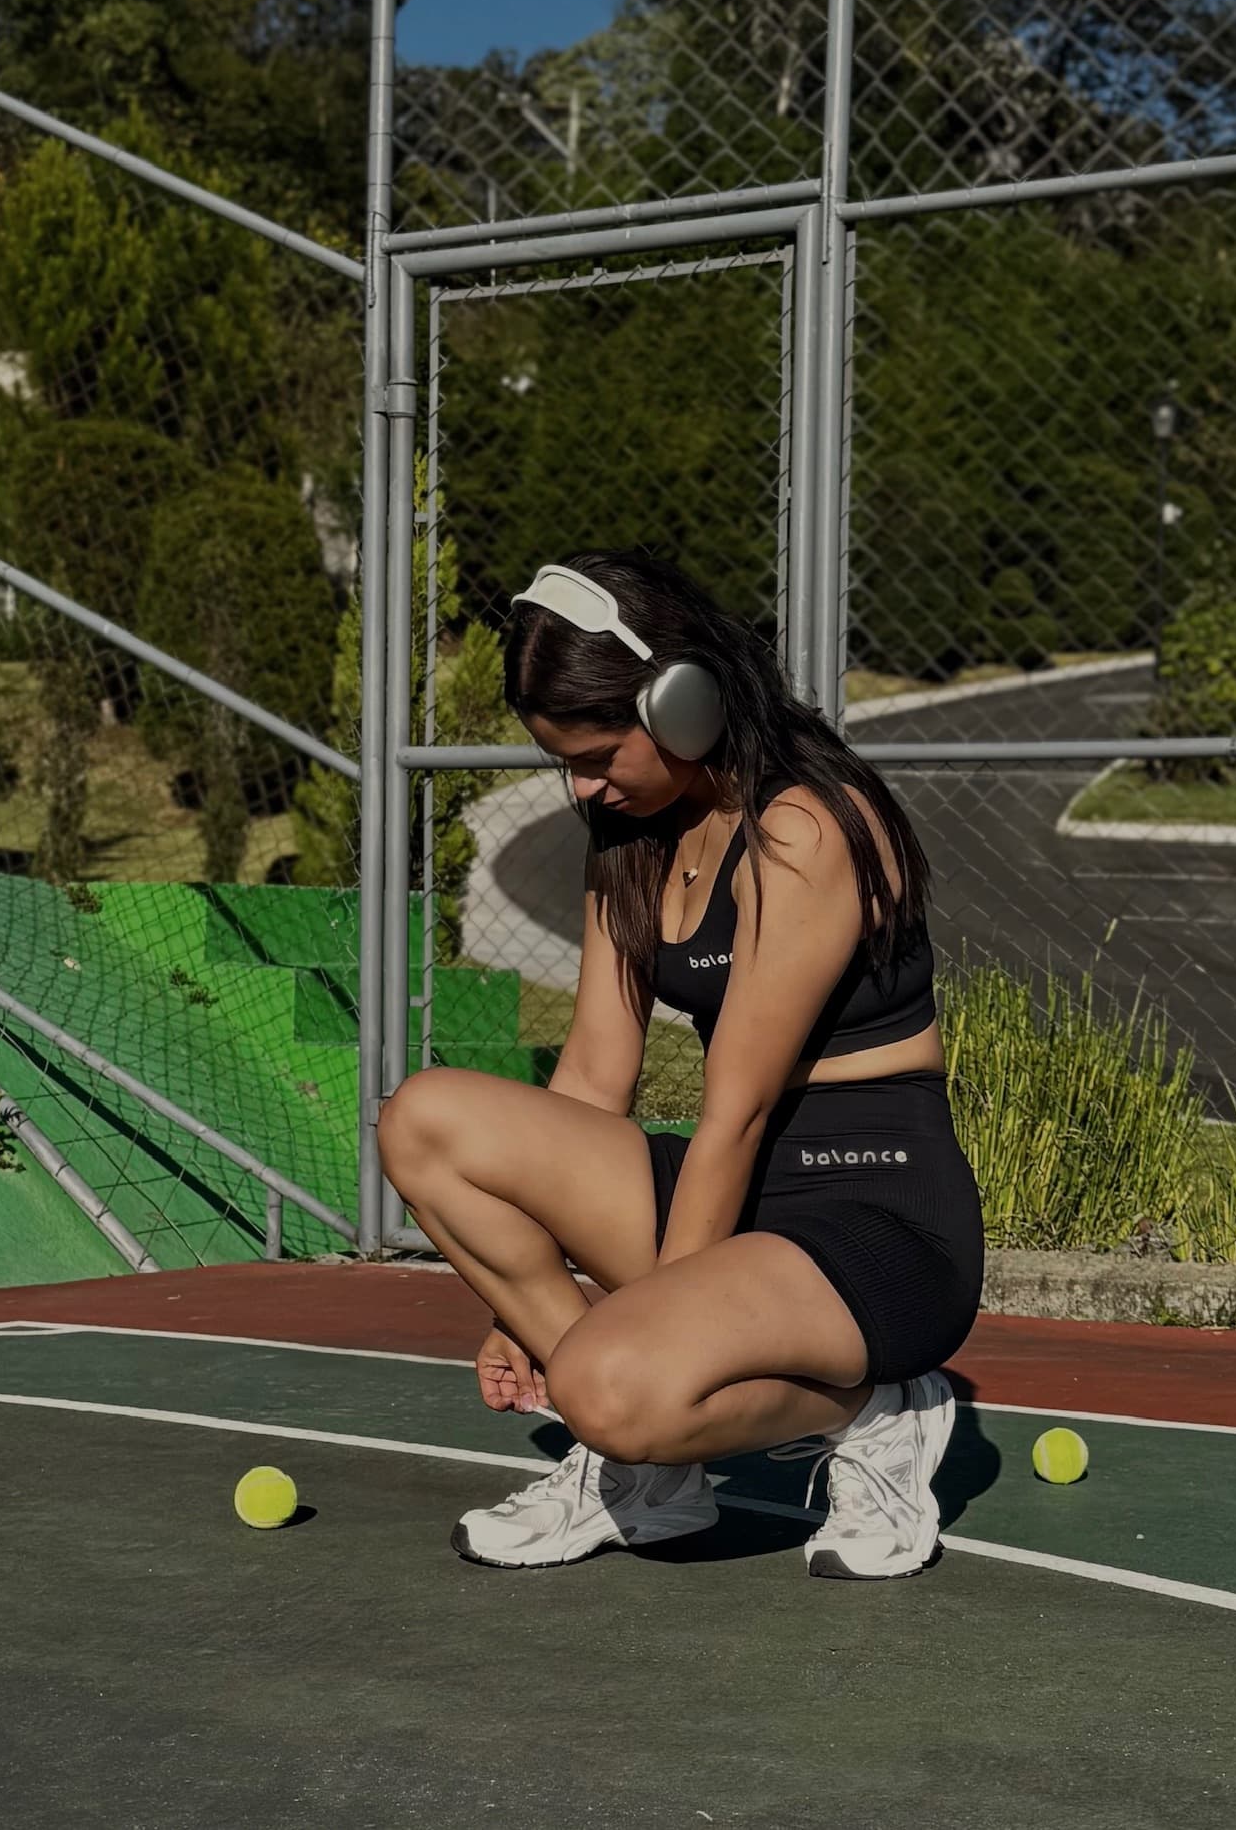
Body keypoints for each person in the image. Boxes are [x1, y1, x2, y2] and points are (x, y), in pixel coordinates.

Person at [376, 549, 985, 1580]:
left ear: (683, 702)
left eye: (599, 752)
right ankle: (647, 1468)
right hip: (745, 1198)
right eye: (561, 760)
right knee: (424, 1118)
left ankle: (876, 1410)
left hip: (875, 1213)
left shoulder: (802, 827)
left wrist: (629, 1329)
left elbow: (733, 1115)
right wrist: (511, 1314)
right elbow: (590, 1082)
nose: (581, 784)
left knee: (609, 1384)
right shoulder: (629, 831)